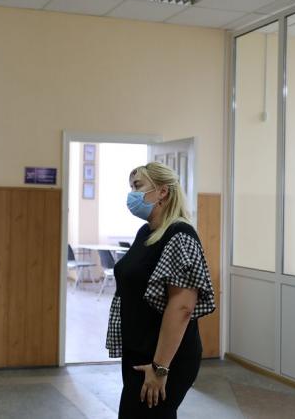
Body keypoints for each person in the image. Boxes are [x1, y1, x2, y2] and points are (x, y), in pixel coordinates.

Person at [106, 162, 216, 419]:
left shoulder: (180, 235)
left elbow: (182, 307)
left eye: (138, 186)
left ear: (162, 192)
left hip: (164, 359)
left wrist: (160, 368)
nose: (132, 195)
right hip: (139, 351)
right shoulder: (147, 232)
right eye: (131, 187)